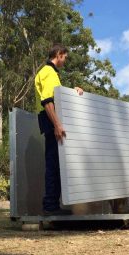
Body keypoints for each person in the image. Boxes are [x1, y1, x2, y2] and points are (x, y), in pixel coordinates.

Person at [35, 44, 83, 216]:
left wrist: (75, 92)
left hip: (51, 121)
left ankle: (53, 205)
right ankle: (50, 207)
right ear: (59, 54)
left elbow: (58, 98)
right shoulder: (48, 72)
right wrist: (57, 124)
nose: (65, 60)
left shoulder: (51, 74)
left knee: (56, 164)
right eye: (65, 57)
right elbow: (47, 101)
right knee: (53, 164)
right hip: (51, 121)